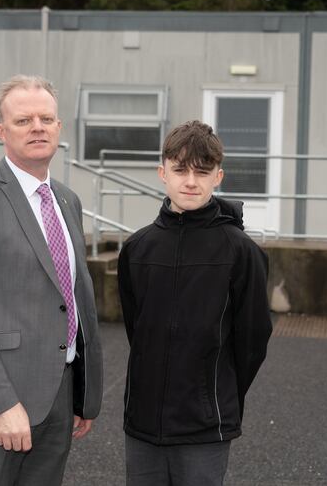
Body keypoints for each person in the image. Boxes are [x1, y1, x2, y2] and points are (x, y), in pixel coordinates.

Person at [0, 75, 103, 485]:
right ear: (1, 131)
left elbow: (74, 297)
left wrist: (82, 394)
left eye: (46, 118)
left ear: (60, 128)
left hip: (58, 401)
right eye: (24, 120)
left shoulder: (67, 200)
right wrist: (1, 404)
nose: (38, 127)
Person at [117, 120, 273, 486]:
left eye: (202, 172)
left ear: (218, 176)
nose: (191, 181)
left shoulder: (242, 252)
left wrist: (212, 395)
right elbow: (136, 331)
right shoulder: (137, 249)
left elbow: (252, 342)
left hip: (205, 425)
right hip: (142, 423)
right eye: (180, 170)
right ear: (162, 173)